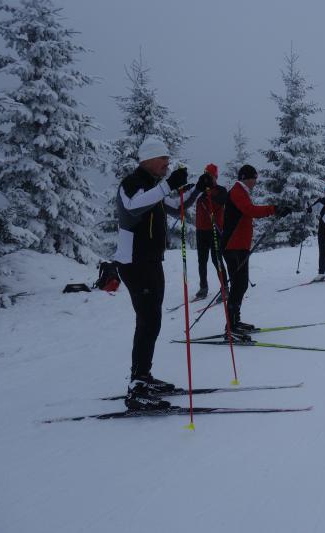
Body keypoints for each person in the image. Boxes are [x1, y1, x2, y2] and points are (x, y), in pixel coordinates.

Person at [114, 135, 209, 410]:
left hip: (152, 262)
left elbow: (176, 207)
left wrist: (199, 188)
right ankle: (137, 388)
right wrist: (168, 184)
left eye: (168, 159)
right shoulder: (131, 185)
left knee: (152, 320)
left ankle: (143, 377)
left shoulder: (154, 187)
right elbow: (132, 208)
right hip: (133, 263)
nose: (167, 163)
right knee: (147, 321)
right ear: (149, 159)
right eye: (163, 159)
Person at [215, 164, 289, 338]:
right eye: (254, 178)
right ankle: (231, 326)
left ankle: (235, 321)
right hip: (233, 246)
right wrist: (274, 209)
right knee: (239, 285)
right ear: (246, 178)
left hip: (239, 246)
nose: (255, 182)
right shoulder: (237, 191)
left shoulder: (242, 192)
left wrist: (275, 209)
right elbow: (250, 211)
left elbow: (247, 214)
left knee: (241, 285)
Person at [193, 163, 228, 299]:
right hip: (201, 231)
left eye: (211, 176)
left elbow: (222, 201)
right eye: (206, 175)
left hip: (215, 229)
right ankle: (203, 287)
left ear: (215, 176)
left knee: (216, 260)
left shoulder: (221, 190)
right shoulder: (201, 192)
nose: (208, 178)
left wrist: (209, 194)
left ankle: (225, 288)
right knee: (202, 260)